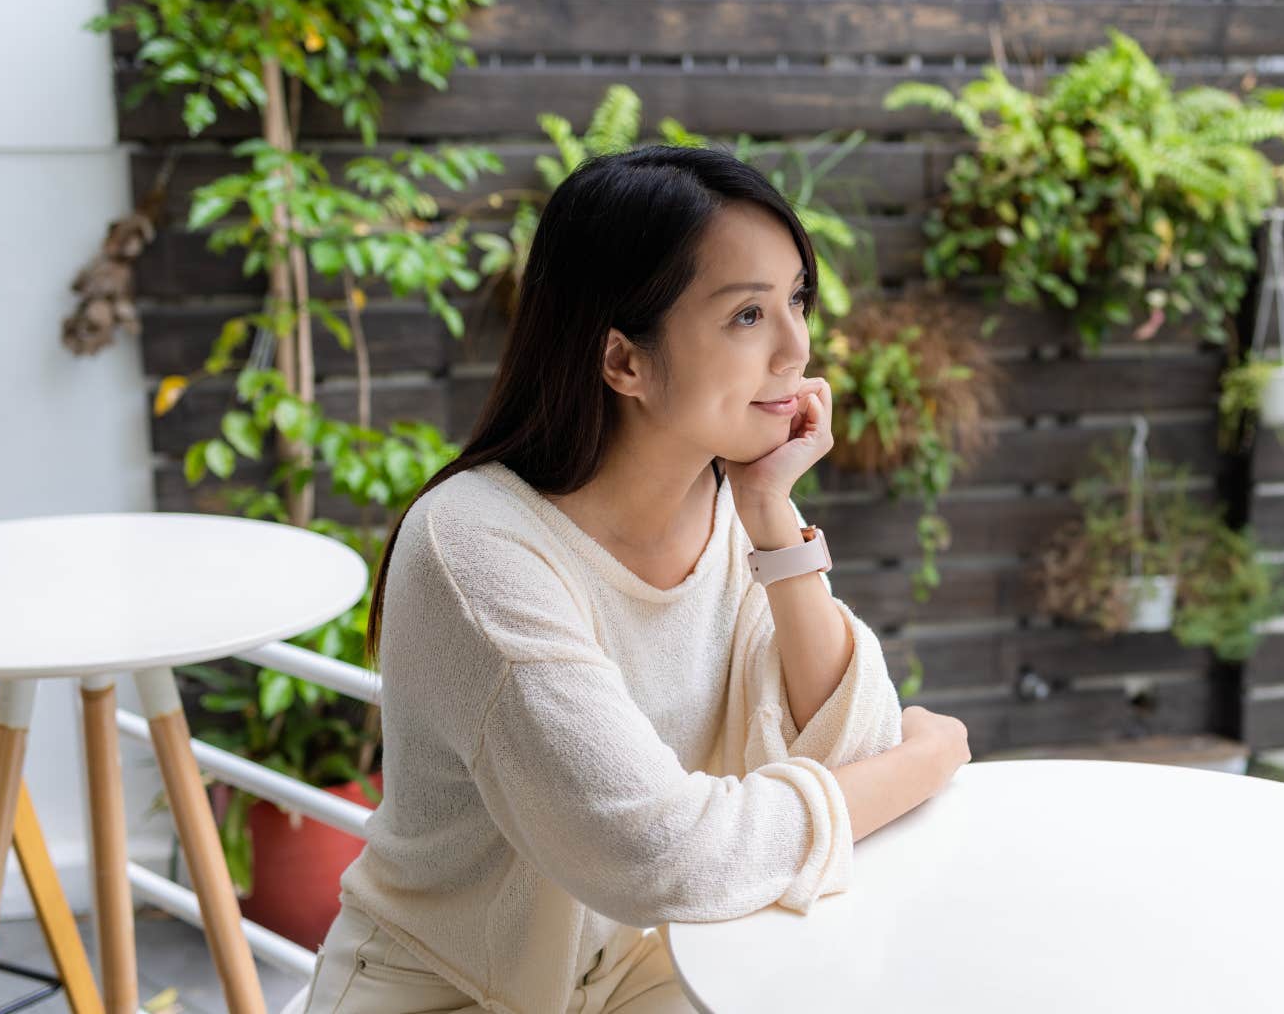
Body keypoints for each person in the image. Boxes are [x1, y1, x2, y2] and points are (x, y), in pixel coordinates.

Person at [300, 144, 974, 1014]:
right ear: (624, 361)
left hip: (638, 974)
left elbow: (855, 749)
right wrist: (928, 760)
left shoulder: (726, 505)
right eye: (747, 315)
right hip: (446, 991)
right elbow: (662, 857)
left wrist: (773, 514)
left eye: (796, 300)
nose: (796, 347)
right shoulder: (476, 548)